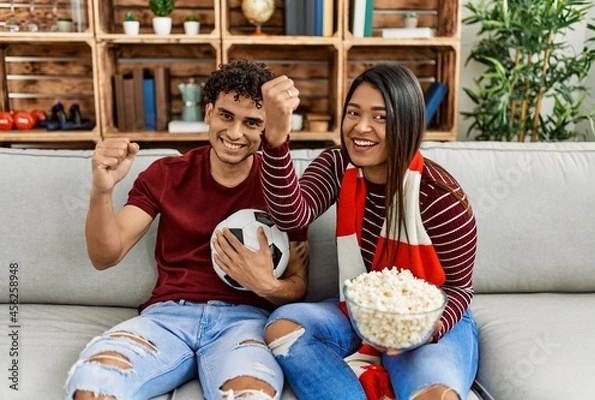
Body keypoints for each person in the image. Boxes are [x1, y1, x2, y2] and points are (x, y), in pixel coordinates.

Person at [65, 59, 309, 400]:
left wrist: (266, 285)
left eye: (252, 123)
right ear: (208, 112)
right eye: (226, 115)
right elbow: (105, 256)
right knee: (91, 384)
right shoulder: (165, 174)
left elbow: (298, 285)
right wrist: (101, 190)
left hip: (245, 323)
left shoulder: (283, 188)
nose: (236, 133)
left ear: (267, 129)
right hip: (166, 318)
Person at [258, 64, 479, 400]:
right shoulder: (336, 165)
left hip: (426, 324)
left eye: (381, 117)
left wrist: (417, 331)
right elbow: (292, 216)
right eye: (354, 112)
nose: (361, 128)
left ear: (407, 124)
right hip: (357, 311)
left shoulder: (440, 197)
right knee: (284, 327)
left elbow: (459, 289)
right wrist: (275, 141)